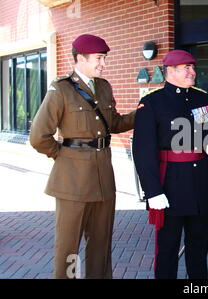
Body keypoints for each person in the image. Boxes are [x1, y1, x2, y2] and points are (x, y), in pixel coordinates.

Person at [29, 34, 135, 279]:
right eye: (99, 58)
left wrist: (141, 113)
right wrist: (63, 156)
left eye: (104, 58)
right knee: (69, 248)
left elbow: (114, 123)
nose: (103, 64)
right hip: (72, 182)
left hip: (103, 180)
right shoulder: (61, 88)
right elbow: (38, 136)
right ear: (80, 58)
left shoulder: (104, 86)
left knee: (101, 244)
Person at [132, 49, 208, 279]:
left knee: (199, 249)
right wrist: (152, 191)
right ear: (170, 71)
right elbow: (143, 151)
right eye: (186, 68)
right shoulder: (152, 102)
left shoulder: (204, 99)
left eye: (193, 67)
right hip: (169, 184)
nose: (193, 72)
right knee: (167, 250)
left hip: (200, 182)